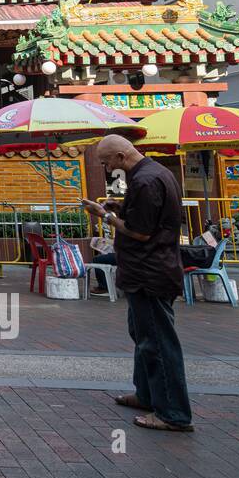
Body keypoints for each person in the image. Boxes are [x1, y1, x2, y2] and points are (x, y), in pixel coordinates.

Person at [84, 135, 193, 433]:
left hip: (150, 271)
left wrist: (105, 215)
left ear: (121, 156)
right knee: (142, 334)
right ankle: (147, 394)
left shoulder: (145, 181)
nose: (106, 168)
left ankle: (173, 412)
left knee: (157, 341)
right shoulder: (156, 173)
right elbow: (148, 217)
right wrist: (119, 206)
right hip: (150, 269)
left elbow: (140, 232)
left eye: (107, 162)